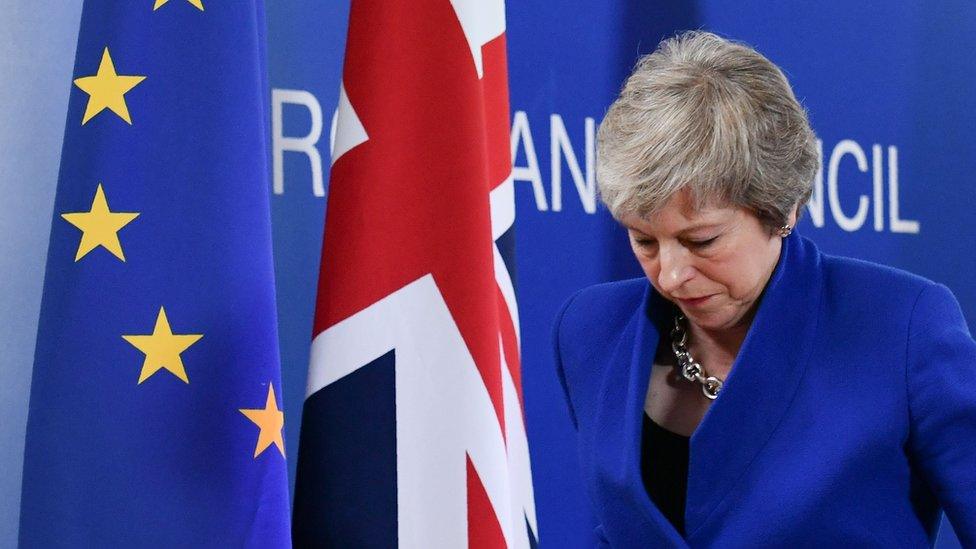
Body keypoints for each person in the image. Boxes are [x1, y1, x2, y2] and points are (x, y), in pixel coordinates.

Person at [553, 31, 976, 547]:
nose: (669, 275)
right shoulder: (590, 329)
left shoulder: (903, 327)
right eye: (644, 240)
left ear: (783, 208)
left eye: (701, 240)